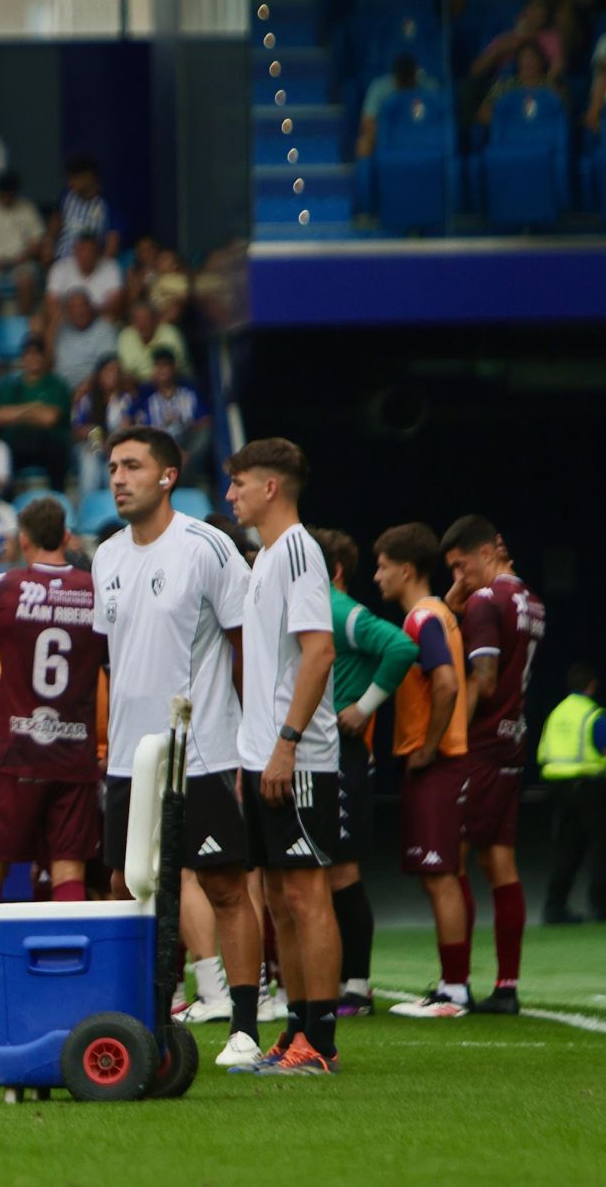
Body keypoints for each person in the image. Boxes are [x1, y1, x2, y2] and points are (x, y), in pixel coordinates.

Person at [95, 427, 264, 1066]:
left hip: (205, 752)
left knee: (223, 886)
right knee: (125, 884)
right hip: (129, 760)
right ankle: (141, 1016)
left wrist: (249, 742)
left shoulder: (209, 547)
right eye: (113, 466)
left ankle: (244, 1026)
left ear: (167, 476)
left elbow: (246, 645)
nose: (118, 477)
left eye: (132, 466)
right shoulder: (105, 555)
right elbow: (112, 664)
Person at [0, 496, 104, 1022]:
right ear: (69, 538)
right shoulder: (94, 590)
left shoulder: (6, 587)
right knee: (68, 871)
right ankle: (71, 998)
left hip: (15, 750)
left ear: (23, 539)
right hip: (74, 751)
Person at [224, 437, 341, 1077]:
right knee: (276, 897)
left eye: (238, 483)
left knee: (305, 895)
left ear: (271, 487)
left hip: (296, 758)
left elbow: (319, 652)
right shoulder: (268, 556)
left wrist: (286, 745)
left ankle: (320, 1043)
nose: (230, 494)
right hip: (264, 755)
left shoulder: (299, 551)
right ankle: (296, 1029)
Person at [439, 513, 545, 1015]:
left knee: (449, 858)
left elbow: (482, 677)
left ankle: (454, 983)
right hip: (514, 739)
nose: (460, 578)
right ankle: (506, 984)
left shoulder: (486, 601)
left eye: (462, 566)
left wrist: (447, 731)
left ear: (488, 551)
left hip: (480, 744)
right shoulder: (531, 600)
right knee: (498, 859)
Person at [312, 528, 418, 1019]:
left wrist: (364, 707)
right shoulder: (313, 611)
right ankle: (336, 980)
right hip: (320, 755)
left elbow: (399, 647)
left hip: (341, 756)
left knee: (341, 871)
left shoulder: (338, 610)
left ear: (333, 570)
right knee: (318, 871)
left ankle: (357, 986)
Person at [370, 521, 473, 1017]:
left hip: (438, 762)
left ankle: (454, 991)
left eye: (384, 567)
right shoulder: (441, 614)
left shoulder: (422, 619)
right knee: (444, 874)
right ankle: (454, 985)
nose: (377, 577)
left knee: (440, 876)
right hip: (447, 758)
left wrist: (431, 746)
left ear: (405, 569)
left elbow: (449, 683)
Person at [537, 664, 606, 926]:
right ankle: (599, 907)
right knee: (602, 846)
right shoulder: (594, 714)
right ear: (592, 685)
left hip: (557, 786)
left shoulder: (556, 713)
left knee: (567, 848)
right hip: (589, 785)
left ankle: (555, 907)